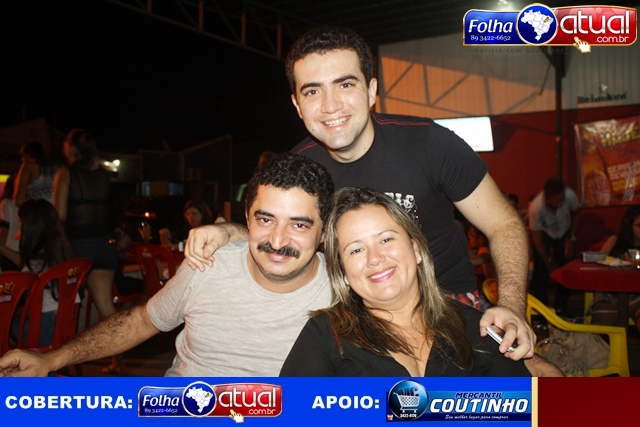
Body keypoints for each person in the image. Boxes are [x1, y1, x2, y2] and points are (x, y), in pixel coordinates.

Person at [185, 27, 538, 365]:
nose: (330, 105)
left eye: (345, 85)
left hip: (448, 305)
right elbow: (283, 237)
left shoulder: (430, 144)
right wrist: (228, 231)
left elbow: (503, 224)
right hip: (356, 316)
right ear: (297, 104)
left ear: (371, 90)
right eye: (312, 91)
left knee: (537, 381)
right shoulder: (301, 170)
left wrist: (511, 307)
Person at [0, 153, 333, 377]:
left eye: (299, 225)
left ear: (324, 231)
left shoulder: (342, 290)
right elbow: (142, 321)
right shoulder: (209, 264)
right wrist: (50, 359)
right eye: (265, 219)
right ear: (247, 217)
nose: (277, 240)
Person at [281, 188, 530, 376]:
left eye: (386, 239)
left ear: (416, 249)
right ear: (343, 273)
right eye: (356, 250)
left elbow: (530, 411)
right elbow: (286, 415)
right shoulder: (325, 335)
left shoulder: (477, 328)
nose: (375, 258)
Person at [52, 128, 125, 375]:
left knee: (66, 307)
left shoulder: (67, 173)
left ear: (73, 148)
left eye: (65, 144)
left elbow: (60, 215)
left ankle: (65, 366)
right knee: (106, 307)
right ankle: (120, 363)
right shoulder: (103, 175)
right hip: (103, 244)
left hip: (76, 247)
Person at [0, 199, 76, 346]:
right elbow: (28, 263)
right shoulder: (58, 255)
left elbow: (31, 311)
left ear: (30, 227)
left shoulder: (35, 266)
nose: (19, 226)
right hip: (64, 326)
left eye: (21, 222)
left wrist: (11, 310)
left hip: (42, 331)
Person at [528, 179, 580, 317]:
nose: (561, 203)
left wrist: (572, 238)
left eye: (562, 199)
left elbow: (576, 213)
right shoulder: (536, 208)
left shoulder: (570, 195)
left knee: (567, 266)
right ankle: (541, 311)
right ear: (547, 198)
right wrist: (549, 265)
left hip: (564, 230)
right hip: (545, 232)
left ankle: (561, 308)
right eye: (557, 201)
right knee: (540, 269)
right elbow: (537, 240)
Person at [13, 140, 58, 207]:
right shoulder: (57, 168)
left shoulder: (28, 166)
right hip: (53, 211)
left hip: (35, 211)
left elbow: (18, 201)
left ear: (26, 155)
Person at [0, 174, 20, 271]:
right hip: (22, 250)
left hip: (9, 250)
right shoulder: (27, 204)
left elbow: (4, 231)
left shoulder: (6, 204)